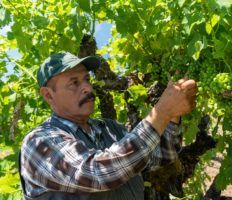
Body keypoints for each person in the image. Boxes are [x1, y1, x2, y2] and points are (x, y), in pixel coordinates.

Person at [19, 52, 197, 200]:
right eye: (74, 83)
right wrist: (162, 112)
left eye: (87, 79)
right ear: (48, 95)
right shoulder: (38, 142)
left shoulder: (111, 128)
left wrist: (173, 115)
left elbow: (159, 156)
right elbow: (99, 173)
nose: (87, 87)